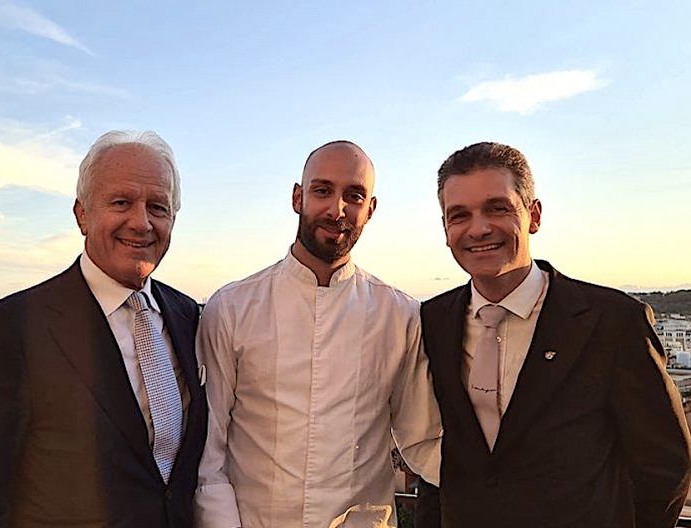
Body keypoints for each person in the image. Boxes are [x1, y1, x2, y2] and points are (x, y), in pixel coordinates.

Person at [415, 141, 691, 527]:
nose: (478, 228)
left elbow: (664, 465)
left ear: (534, 215)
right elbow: (437, 452)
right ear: (445, 229)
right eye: (459, 215)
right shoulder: (432, 321)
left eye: (497, 208)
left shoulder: (612, 321)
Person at [0, 130, 207, 527]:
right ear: (82, 214)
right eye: (121, 202)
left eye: (158, 207)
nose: (142, 222)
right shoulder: (11, 329)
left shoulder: (189, 317)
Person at [193, 140, 441, 527]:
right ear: (298, 197)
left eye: (354, 196)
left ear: (370, 209)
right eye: (322, 191)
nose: (336, 209)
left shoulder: (400, 315)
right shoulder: (232, 308)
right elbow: (209, 453)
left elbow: (422, 439)